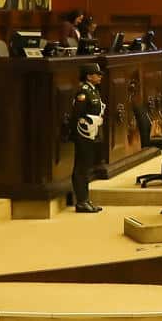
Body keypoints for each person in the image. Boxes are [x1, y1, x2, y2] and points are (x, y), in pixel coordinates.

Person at [67, 63, 106, 213]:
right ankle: (81, 201)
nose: (100, 76)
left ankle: (86, 199)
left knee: (87, 166)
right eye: (97, 74)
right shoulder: (83, 92)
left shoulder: (93, 90)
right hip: (83, 133)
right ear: (89, 76)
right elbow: (78, 114)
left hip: (92, 132)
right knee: (81, 168)